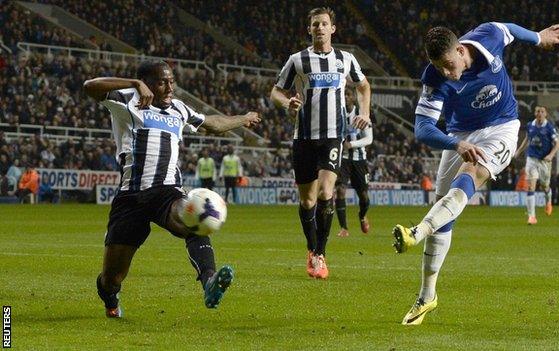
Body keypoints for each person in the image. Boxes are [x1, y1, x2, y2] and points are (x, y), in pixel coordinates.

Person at [391, 22, 559, 325]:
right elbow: (422, 129)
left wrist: (539, 38)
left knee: (470, 173)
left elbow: (511, 29)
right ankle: (427, 297)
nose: (448, 73)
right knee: (445, 211)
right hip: (460, 135)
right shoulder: (434, 76)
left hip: (502, 127)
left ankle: (417, 232)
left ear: (461, 50)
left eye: (449, 65)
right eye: (440, 68)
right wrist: (455, 142)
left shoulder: (489, 36)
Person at [83, 60, 261, 318]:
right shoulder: (127, 99)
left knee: (194, 217)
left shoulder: (179, 109)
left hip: (166, 192)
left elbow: (212, 123)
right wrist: (134, 83)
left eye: (171, 81)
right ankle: (110, 297)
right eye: (161, 82)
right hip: (131, 197)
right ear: (146, 83)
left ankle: (209, 282)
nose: (169, 87)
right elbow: (90, 86)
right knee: (112, 277)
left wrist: (243, 119)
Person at [270, 7, 371, 279]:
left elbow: (363, 86)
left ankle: (320, 254)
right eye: (315, 25)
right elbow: (276, 91)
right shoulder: (297, 60)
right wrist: (286, 102)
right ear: (309, 29)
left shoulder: (345, 59)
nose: (319, 28)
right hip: (303, 138)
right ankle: (311, 248)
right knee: (308, 201)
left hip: (333, 136)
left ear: (333, 29)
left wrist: (364, 112)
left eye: (324, 24)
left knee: (327, 192)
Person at [335, 88, 373, 237]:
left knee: (364, 196)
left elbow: (369, 139)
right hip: (342, 159)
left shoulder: (362, 116)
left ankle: (362, 215)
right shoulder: (337, 114)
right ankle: (344, 228)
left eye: (348, 94)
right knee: (340, 191)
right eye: (343, 94)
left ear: (353, 98)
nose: (345, 96)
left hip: (359, 160)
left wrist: (351, 145)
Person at [514, 105, 559, 224]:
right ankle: (532, 217)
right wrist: (519, 151)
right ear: (535, 113)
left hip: (544, 161)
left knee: (545, 186)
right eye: (538, 111)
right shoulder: (530, 125)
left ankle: (548, 201)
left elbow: (558, 144)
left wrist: (551, 155)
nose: (540, 113)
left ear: (546, 114)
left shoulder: (549, 127)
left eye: (542, 111)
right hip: (532, 159)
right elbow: (527, 139)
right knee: (531, 186)